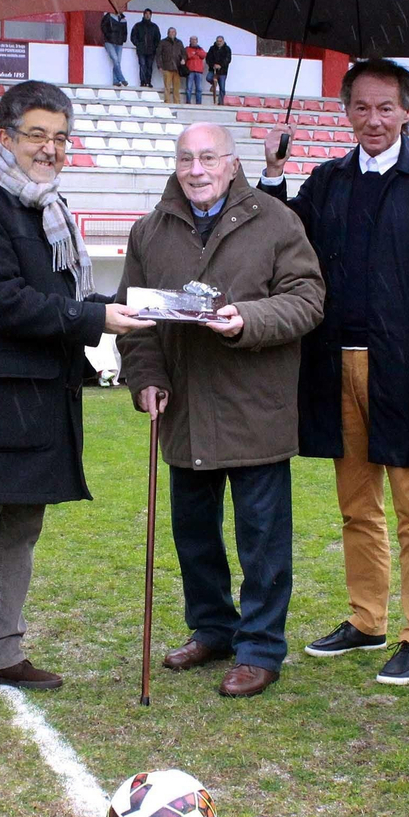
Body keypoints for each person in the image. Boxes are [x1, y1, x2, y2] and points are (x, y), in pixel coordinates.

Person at [0, 80, 152, 719]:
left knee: (20, 532)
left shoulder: (46, 207)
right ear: (5, 137)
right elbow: (0, 302)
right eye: (36, 136)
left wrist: (88, 317)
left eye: (58, 138)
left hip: (40, 397)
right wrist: (93, 318)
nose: (49, 149)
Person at [261, 59, 409, 687]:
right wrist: (273, 175)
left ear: (408, 111)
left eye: (386, 107)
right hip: (332, 362)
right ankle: (367, 620)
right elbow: (281, 242)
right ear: (346, 112)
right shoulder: (325, 179)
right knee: (355, 505)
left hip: (403, 369)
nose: (373, 120)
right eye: (361, 108)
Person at [117, 123, 324, 698]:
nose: (197, 169)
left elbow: (308, 300)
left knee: (262, 539)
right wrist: (147, 380)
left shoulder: (278, 222)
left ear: (233, 164)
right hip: (183, 408)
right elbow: (134, 318)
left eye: (209, 157)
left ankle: (259, 647)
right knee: (194, 534)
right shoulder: (149, 231)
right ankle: (212, 628)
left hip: (255, 408)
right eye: (187, 158)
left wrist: (247, 320)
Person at [131, 9, 161, 88]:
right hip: (141, 50)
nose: (147, 15)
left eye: (149, 14)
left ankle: (148, 81)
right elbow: (133, 36)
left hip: (151, 51)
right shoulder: (138, 25)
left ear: (151, 15)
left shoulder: (154, 27)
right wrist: (138, 44)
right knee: (142, 65)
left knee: (149, 66)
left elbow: (157, 38)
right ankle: (143, 82)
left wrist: (154, 47)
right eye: (146, 14)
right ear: (143, 15)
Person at [101, 10, 129, 87]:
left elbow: (125, 32)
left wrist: (123, 39)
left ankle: (115, 81)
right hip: (109, 42)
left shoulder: (123, 20)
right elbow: (103, 26)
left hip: (119, 43)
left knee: (117, 62)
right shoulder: (108, 16)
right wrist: (108, 36)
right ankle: (122, 79)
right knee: (116, 60)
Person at [158, 27, 185, 105]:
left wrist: (183, 59)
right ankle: (167, 102)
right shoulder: (163, 42)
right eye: (171, 32)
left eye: (174, 32)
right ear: (168, 33)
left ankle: (177, 102)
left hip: (177, 68)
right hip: (167, 67)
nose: (172, 33)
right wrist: (159, 65)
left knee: (176, 87)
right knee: (167, 87)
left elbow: (184, 53)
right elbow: (158, 54)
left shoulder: (179, 42)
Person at [206, 35, 232, 105]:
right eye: (218, 41)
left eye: (220, 41)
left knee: (222, 88)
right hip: (213, 70)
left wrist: (220, 65)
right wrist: (213, 65)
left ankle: (221, 102)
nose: (219, 42)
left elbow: (228, 59)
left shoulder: (227, 49)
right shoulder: (212, 48)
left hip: (222, 71)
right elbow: (208, 58)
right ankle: (214, 84)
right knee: (208, 78)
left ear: (223, 41)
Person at [184, 36, 207, 105]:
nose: (193, 41)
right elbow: (188, 55)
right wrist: (196, 54)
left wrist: (195, 53)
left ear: (197, 41)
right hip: (190, 70)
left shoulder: (200, 49)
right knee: (189, 88)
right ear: (189, 41)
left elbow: (203, 55)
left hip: (199, 71)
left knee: (199, 89)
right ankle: (188, 102)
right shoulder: (187, 48)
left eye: (195, 40)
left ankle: (199, 103)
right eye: (192, 40)